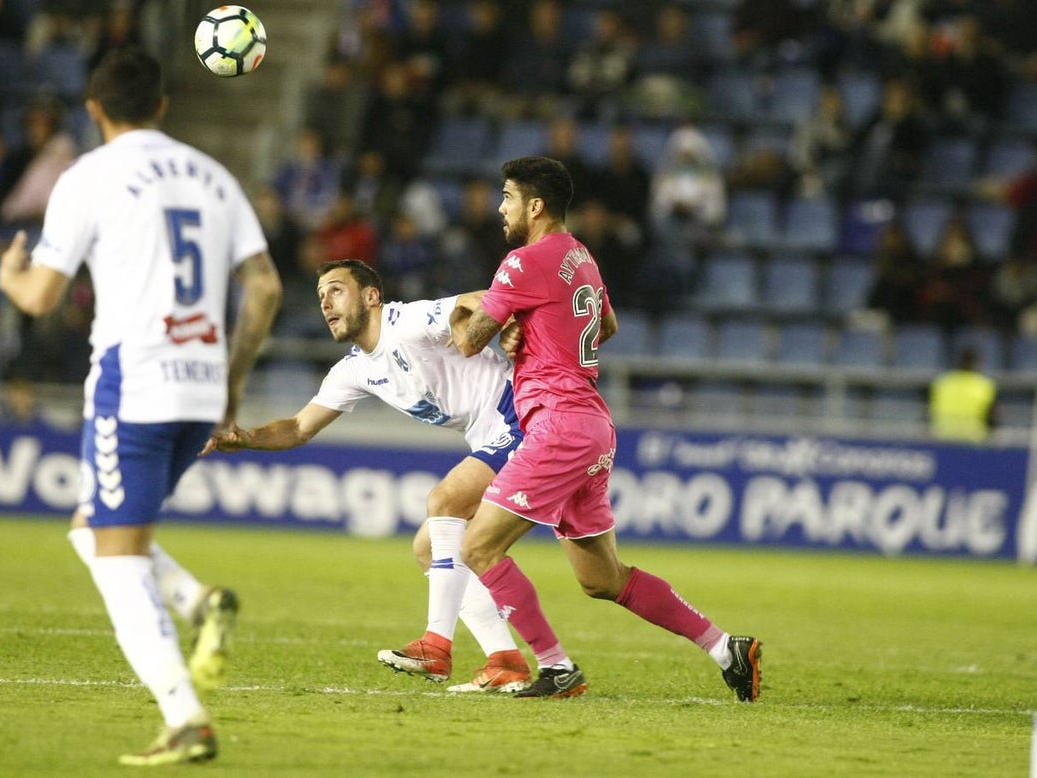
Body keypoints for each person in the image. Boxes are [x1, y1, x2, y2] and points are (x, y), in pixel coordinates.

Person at [0, 47, 282, 766]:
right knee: (92, 526)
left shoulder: (88, 175)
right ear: (162, 105)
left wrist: (10, 276)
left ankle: (186, 718)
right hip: (201, 384)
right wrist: (234, 388)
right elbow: (268, 287)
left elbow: (41, 297)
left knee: (114, 557)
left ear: (94, 110)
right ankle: (197, 602)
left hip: (136, 382)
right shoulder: (214, 176)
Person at [449, 156, 762, 701]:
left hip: (559, 427)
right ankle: (725, 648)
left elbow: (470, 340)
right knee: (602, 580)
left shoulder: (522, 263)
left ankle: (556, 668)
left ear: (535, 206)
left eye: (507, 197)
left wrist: (464, 310)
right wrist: (533, 329)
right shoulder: (580, 257)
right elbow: (607, 325)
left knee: (477, 545)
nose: (501, 208)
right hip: (592, 425)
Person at [201, 259, 581, 696]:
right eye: (320, 295)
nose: (325, 302)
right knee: (429, 548)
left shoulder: (408, 320)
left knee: (444, 502)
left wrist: (514, 324)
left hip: (524, 416)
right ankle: (505, 660)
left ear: (371, 296)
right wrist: (244, 437)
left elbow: (480, 300)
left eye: (336, 290)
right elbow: (299, 427)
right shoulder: (355, 369)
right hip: (490, 435)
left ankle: (436, 644)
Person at [929, 346, 998, 442]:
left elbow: (930, 412)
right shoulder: (985, 385)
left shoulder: (942, 382)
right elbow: (993, 418)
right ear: (977, 363)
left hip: (943, 438)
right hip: (974, 439)